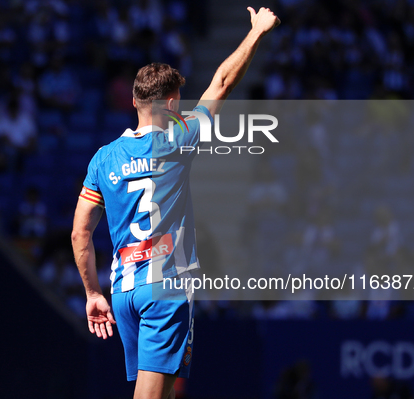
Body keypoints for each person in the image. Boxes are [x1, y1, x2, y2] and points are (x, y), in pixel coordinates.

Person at [71, 7, 280, 399]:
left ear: (134, 100)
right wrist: (255, 33)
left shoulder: (103, 158)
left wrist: (92, 293)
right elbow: (221, 83)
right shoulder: (178, 139)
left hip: (124, 292)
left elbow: (81, 232)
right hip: (165, 285)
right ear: (170, 105)